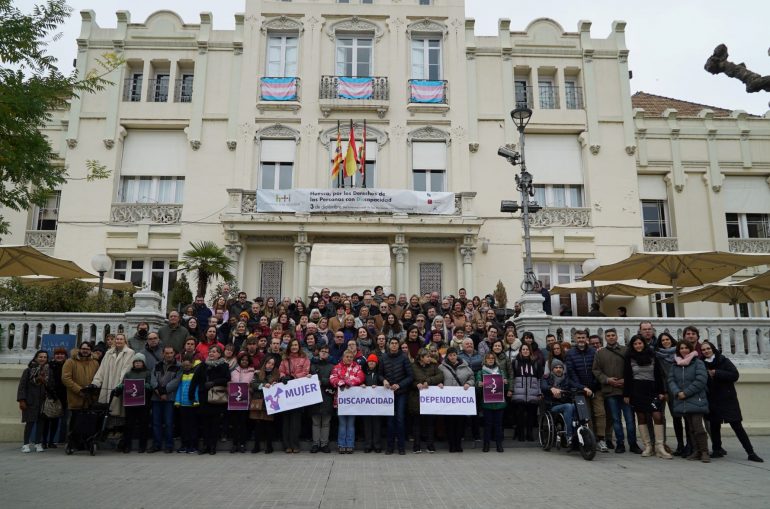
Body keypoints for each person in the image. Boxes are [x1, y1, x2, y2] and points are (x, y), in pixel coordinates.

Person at [701, 340, 763, 462]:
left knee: (737, 426)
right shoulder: (702, 363)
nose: (706, 351)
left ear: (712, 349)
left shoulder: (723, 360)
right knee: (714, 426)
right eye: (703, 350)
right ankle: (717, 450)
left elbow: (735, 375)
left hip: (727, 399)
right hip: (712, 399)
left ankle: (750, 452)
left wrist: (716, 372)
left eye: (708, 348)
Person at [623, 335, 672, 459]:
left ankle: (659, 446)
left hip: (652, 390)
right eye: (635, 344)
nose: (638, 346)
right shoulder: (629, 358)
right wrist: (627, 394)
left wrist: (662, 391)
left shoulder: (652, 356)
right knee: (641, 417)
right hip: (637, 390)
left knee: (657, 415)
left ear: (644, 344)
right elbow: (627, 377)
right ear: (632, 346)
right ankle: (648, 446)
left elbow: (658, 375)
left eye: (640, 343)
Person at [592, 328, 640, 454]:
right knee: (615, 419)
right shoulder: (600, 353)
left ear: (617, 336)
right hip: (610, 391)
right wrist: (607, 380)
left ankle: (633, 443)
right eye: (608, 335)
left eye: (613, 335)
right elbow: (596, 370)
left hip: (626, 391)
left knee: (630, 419)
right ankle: (620, 444)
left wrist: (626, 380)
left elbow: (634, 367)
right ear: (605, 338)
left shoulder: (626, 350)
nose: (611, 337)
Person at [668, 341, 710, 463]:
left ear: (691, 349)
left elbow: (701, 380)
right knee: (690, 428)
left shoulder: (698, 362)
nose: (684, 350)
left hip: (695, 399)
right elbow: (671, 380)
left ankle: (704, 451)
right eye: (681, 348)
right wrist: (677, 392)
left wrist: (686, 393)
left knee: (698, 428)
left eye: (686, 347)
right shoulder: (675, 365)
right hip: (683, 401)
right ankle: (696, 451)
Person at [565, 329, 607, 452]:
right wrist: (583, 387)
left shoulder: (594, 352)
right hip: (580, 390)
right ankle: (591, 439)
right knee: (586, 416)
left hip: (595, 388)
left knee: (600, 413)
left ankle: (601, 439)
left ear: (586, 339)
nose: (581, 340)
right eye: (579, 338)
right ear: (575, 339)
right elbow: (571, 374)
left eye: (583, 337)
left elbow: (598, 370)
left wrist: (592, 386)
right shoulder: (570, 354)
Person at [189, 345, 230, 455]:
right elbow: (194, 381)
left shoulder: (224, 366)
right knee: (205, 423)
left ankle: (213, 446)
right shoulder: (202, 366)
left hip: (217, 398)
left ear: (219, 354)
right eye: (210, 351)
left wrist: (214, 382)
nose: (211, 353)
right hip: (204, 398)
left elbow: (227, 379)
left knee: (215, 424)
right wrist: (191, 396)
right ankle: (206, 445)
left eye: (214, 352)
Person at [655, 331, 690, 457]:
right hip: (670, 390)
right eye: (663, 340)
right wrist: (665, 391)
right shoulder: (658, 356)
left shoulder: (680, 352)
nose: (665, 342)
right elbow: (661, 376)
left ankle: (689, 444)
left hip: (684, 389)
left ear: (671, 340)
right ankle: (680, 444)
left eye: (667, 339)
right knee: (676, 418)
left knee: (687, 417)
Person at [380, 337, 414, 455]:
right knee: (390, 420)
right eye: (392, 343)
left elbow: (410, 376)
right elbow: (380, 374)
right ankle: (389, 447)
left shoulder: (404, 358)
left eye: (396, 343)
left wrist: (399, 385)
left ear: (398, 346)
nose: (394, 345)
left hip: (401, 393)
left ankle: (401, 447)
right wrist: (383, 380)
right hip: (388, 393)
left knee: (399, 419)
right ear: (389, 345)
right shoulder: (383, 357)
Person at [540, 359, 584, 447]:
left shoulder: (566, 378)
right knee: (569, 406)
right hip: (552, 405)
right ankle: (569, 436)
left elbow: (576, 385)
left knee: (576, 406)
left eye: (560, 367)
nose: (558, 369)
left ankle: (578, 434)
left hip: (566, 403)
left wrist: (584, 388)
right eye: (556, 367)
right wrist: (551, 388)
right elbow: (543, 387)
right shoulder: (546, 377)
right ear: (552, 369)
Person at [439, 346, 475, 453]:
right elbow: (437, 377)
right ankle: (451, 444)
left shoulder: (465, 366)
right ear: (447, 356)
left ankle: (458, 444)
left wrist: (469, 383)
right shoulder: (441, 367)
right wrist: (439, 383)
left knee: (460, 423)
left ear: (457, 355)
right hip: (448, 401)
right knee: (449, 423)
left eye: (454, 355)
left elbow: (472, 378)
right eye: (450, 355)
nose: (452, 357)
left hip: (460, 401)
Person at [116, 352, 154, 453]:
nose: (137, 363)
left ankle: (142, 446)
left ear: (143, 363)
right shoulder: (128, 374)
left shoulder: (147, 373)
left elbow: (151, 385)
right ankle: (127, 446)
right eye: (136, 361)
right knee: (129, 425)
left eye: (139, 361)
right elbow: (124, 383)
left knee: (143, 425)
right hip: (130, 403)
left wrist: (147, 386)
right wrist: (121, 386)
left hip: (143, 403)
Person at [279, 338, 311, 453]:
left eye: (296, 345)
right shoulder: (285, 359)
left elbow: (306, 372)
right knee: (286, 420)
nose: (294, 347)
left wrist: (295, 377)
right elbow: (281, 371)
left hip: (298, 392)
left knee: (296, 421)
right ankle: (287, 445)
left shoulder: (304, 358)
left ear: (299, 346)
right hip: (287, 392)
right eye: (292, 345)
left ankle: (295, 444)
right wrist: (283, 377)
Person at [91, 333, 135, 417]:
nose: (119, 341)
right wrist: (96, 382)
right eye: (117, 339)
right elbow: (102, 369)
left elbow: (126, 370)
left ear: (125, 341)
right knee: (107, 409)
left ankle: (118, 428)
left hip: (119, 385)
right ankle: (108, 428)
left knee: (118, 408)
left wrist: (119, 385)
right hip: (107, 384)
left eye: (121, 339)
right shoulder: (108, 353)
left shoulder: (130, 353)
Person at [330, 349, 365, 453]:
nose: (349, 359)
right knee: (342, 424)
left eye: (351, 357)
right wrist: (341, 383)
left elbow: (361, 377)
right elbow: (332, 378)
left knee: (350, 424)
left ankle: (350, 445)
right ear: (343, 357)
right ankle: (341, 445)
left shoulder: (357, 367)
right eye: (347, 357)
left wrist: (350, 382)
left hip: (352, 401)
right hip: (340, 401)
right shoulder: (337, 367)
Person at [148, 345, 181, 454]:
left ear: (174, 353)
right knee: (156, 422)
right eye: (166, 353)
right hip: (156, 397)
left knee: (168, 422)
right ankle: (156, 445)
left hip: (169, 398)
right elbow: (152, 379)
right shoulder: (157, 365)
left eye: (171, 353)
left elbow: (176, 382)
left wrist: (164, 391)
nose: (169, 355)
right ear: (163, 354)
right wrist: (158, 391)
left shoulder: (178, 366)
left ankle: (169, 445)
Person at [410, 348, 443, 454]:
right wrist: (416, 384)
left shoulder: (434, 366)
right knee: (417, 424)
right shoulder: (413, 367)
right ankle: (417, 446)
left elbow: (440, 376)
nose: (430, 358)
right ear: (421, 358)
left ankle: (430, 445)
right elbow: (409, 380)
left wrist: (429, 381)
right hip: (416, 399)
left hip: (429, 400)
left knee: (430, 423)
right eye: (427, 356)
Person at [17, 350, 50, 453]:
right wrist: (21, 400)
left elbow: (50, 385)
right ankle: (26, 444)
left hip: (42, 401)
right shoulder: (28, 370)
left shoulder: (48, 371)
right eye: (40, 357)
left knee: (40, 423)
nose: (42, 359)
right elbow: (22, 386)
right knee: (30, 423)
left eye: (45, 357)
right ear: (36, 358)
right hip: (30, 401)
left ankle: (37, 443)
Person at [511, 344, 542, 442]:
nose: (525, 351)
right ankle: (520, 434)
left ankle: (529, 433)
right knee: (519, 415)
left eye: (527, 349)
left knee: (531, 415)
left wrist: (539, 392)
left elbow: (539, 379)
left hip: (532, 392)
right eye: (523, 349)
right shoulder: (515, 362)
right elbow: (512, 377)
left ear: (530, 351)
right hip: (519, 392)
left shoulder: (536, 362)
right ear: (520, 351)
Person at [477, 352, 507, 453]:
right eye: (488, 359)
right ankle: (486, 444)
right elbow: (477, 388)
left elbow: (505, 388)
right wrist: (479, 384)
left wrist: (505, 383)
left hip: (499, 402)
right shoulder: (481, 372)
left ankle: (499, 444)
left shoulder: (501, 372)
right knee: (487, 425)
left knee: (498, 425)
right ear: (485, 360)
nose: (490, 360)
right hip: (487, 403)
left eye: (492, 359)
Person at [250, 355, 280, 454]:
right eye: (269, 363)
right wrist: (263, 385)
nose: (270, 365)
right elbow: (253, 385)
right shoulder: (258, 373)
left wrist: (275, 385)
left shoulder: (276, 375)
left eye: (272, 364)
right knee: (258, 425)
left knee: (268, 425)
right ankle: (256, 446)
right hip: (258, 401)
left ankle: (269, 446)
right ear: (265, 363)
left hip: (269, 403)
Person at [229, 352, 255, 453]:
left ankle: (243, 443)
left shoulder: (252, 372)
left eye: (246, 360)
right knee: (235, 424)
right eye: (243, 360)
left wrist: (250, 388)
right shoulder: (233, 371)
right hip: (234, 401)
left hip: (246, 401)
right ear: (239, 361)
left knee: (243, 424)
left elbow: (253, 386)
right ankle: (235, 444)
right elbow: (230, 384)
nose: (244, 361)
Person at [310, 345, 334, 454]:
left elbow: (333, 380)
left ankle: (324, 444)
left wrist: (323, 381)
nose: (324, 353)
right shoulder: (312, 366)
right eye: (322, 351)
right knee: (315, 422)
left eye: (326, 351)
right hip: (314, 397)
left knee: (325, 422)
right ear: (318, 352)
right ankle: (315, 444)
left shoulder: (331, 366)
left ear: (328, 354)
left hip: (327, 396)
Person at [174, 355, 200, 454]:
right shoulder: (182, 375)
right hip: (183, 405)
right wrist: (177, 401)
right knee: (184, 427)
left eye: (188, 365)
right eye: (184, 366)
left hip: (193, 405)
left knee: (193, 426)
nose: (186, 367)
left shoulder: (195, 375)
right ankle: (185, 445)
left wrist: (196, 400)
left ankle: (193, 445)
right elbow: (179, 389)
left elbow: (197, 389)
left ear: (192, 364)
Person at [43, 347, 68, 448]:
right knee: (47, 419)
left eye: (62, 354)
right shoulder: (48, 366)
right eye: (58, 354)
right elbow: (45, 381)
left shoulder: (67, 365)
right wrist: (51, 393)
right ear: (54, 356)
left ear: (65, 356)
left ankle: (51, 441)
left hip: (63, 396)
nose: (60, 356)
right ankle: (44, 441)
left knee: (56, 420)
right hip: (51, 396)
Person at [362, 354, 383, 453]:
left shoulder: (379, 374)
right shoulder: (364, 373)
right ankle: (368, 445)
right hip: (366, 404)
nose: (371, 363)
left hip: (377, 404)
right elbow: (360, 382)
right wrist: (362, 385)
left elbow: (383, 385)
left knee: (377, 424)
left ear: (376, 363)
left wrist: (378, 386)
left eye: (373, 362)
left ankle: (377, 445)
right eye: (370, 361)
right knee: (367, 425)